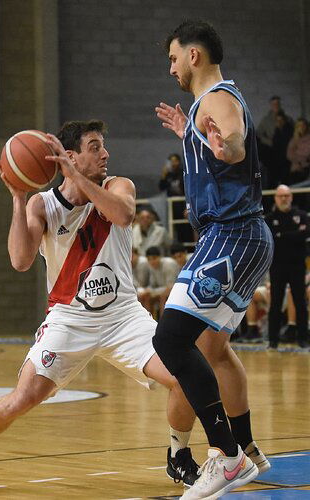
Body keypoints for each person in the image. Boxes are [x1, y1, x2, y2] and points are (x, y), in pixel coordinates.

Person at [0, 120, 204, 495]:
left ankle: (178, 455)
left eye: (104, 145)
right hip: (70, 318)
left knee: (189, 375)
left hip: (123, 317)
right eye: (94, 146)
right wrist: (19, 198)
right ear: (70, 156)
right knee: (24, 397)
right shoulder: (44, 204)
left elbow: (122, 215)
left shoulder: (117, 187)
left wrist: (78, 179)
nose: (105, 153)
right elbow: (20, 260)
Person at [154, 20, 273, 499]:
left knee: (170, 338)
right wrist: (191, 134)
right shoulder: (208, 107)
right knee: (213, 347)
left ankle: (227, 456)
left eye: (174, 58)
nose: (172, 68)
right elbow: (220, 141)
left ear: (194, 55)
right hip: (243, 237)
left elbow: (236, 136)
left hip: (231, 235)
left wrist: (229, 145)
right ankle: (247, 448)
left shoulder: (218, 98)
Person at [265, 184, 310, 349]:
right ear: (275, 198)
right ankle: (273, 340)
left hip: (297, 266)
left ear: (291, 197)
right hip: (277, 266)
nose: (284, 199)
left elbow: (305, 234)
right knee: (275, 303)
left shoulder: (302, 215)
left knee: (300, 302)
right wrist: (294, 235)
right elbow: (272, 240)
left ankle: (303, 338)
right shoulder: (269, 219)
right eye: (281, 196)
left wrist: (281, 235)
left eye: (287, 195)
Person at [145, 246, 180, 317]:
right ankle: (149, 322)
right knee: (146, 297)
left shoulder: (169, 264)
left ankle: (162, 324)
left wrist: (153, 291)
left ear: (160, 257)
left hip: (177, 290)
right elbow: (152, 285)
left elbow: (170, 287)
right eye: (149, 259)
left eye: (154, 258)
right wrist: (149, 291)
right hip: (163, 290)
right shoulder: (151, 266)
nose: (152, 261)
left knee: (163, 296)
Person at [287, 117, 310, 184]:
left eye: (303, 125)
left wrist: (297, 154)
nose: (302, 127)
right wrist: (299, 160)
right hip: (296, 169)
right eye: (299, 125)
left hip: (307, 168)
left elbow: (307, 153)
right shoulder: (294, 139)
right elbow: (289, 154)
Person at [131, 246, 151, 312]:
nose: (130, 259)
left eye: (132, 256)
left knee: (143, 296)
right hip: (142, 289)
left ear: (137, 255)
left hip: (151, 287)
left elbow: (142, 283)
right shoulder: (129, 264)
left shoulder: (143, 262)